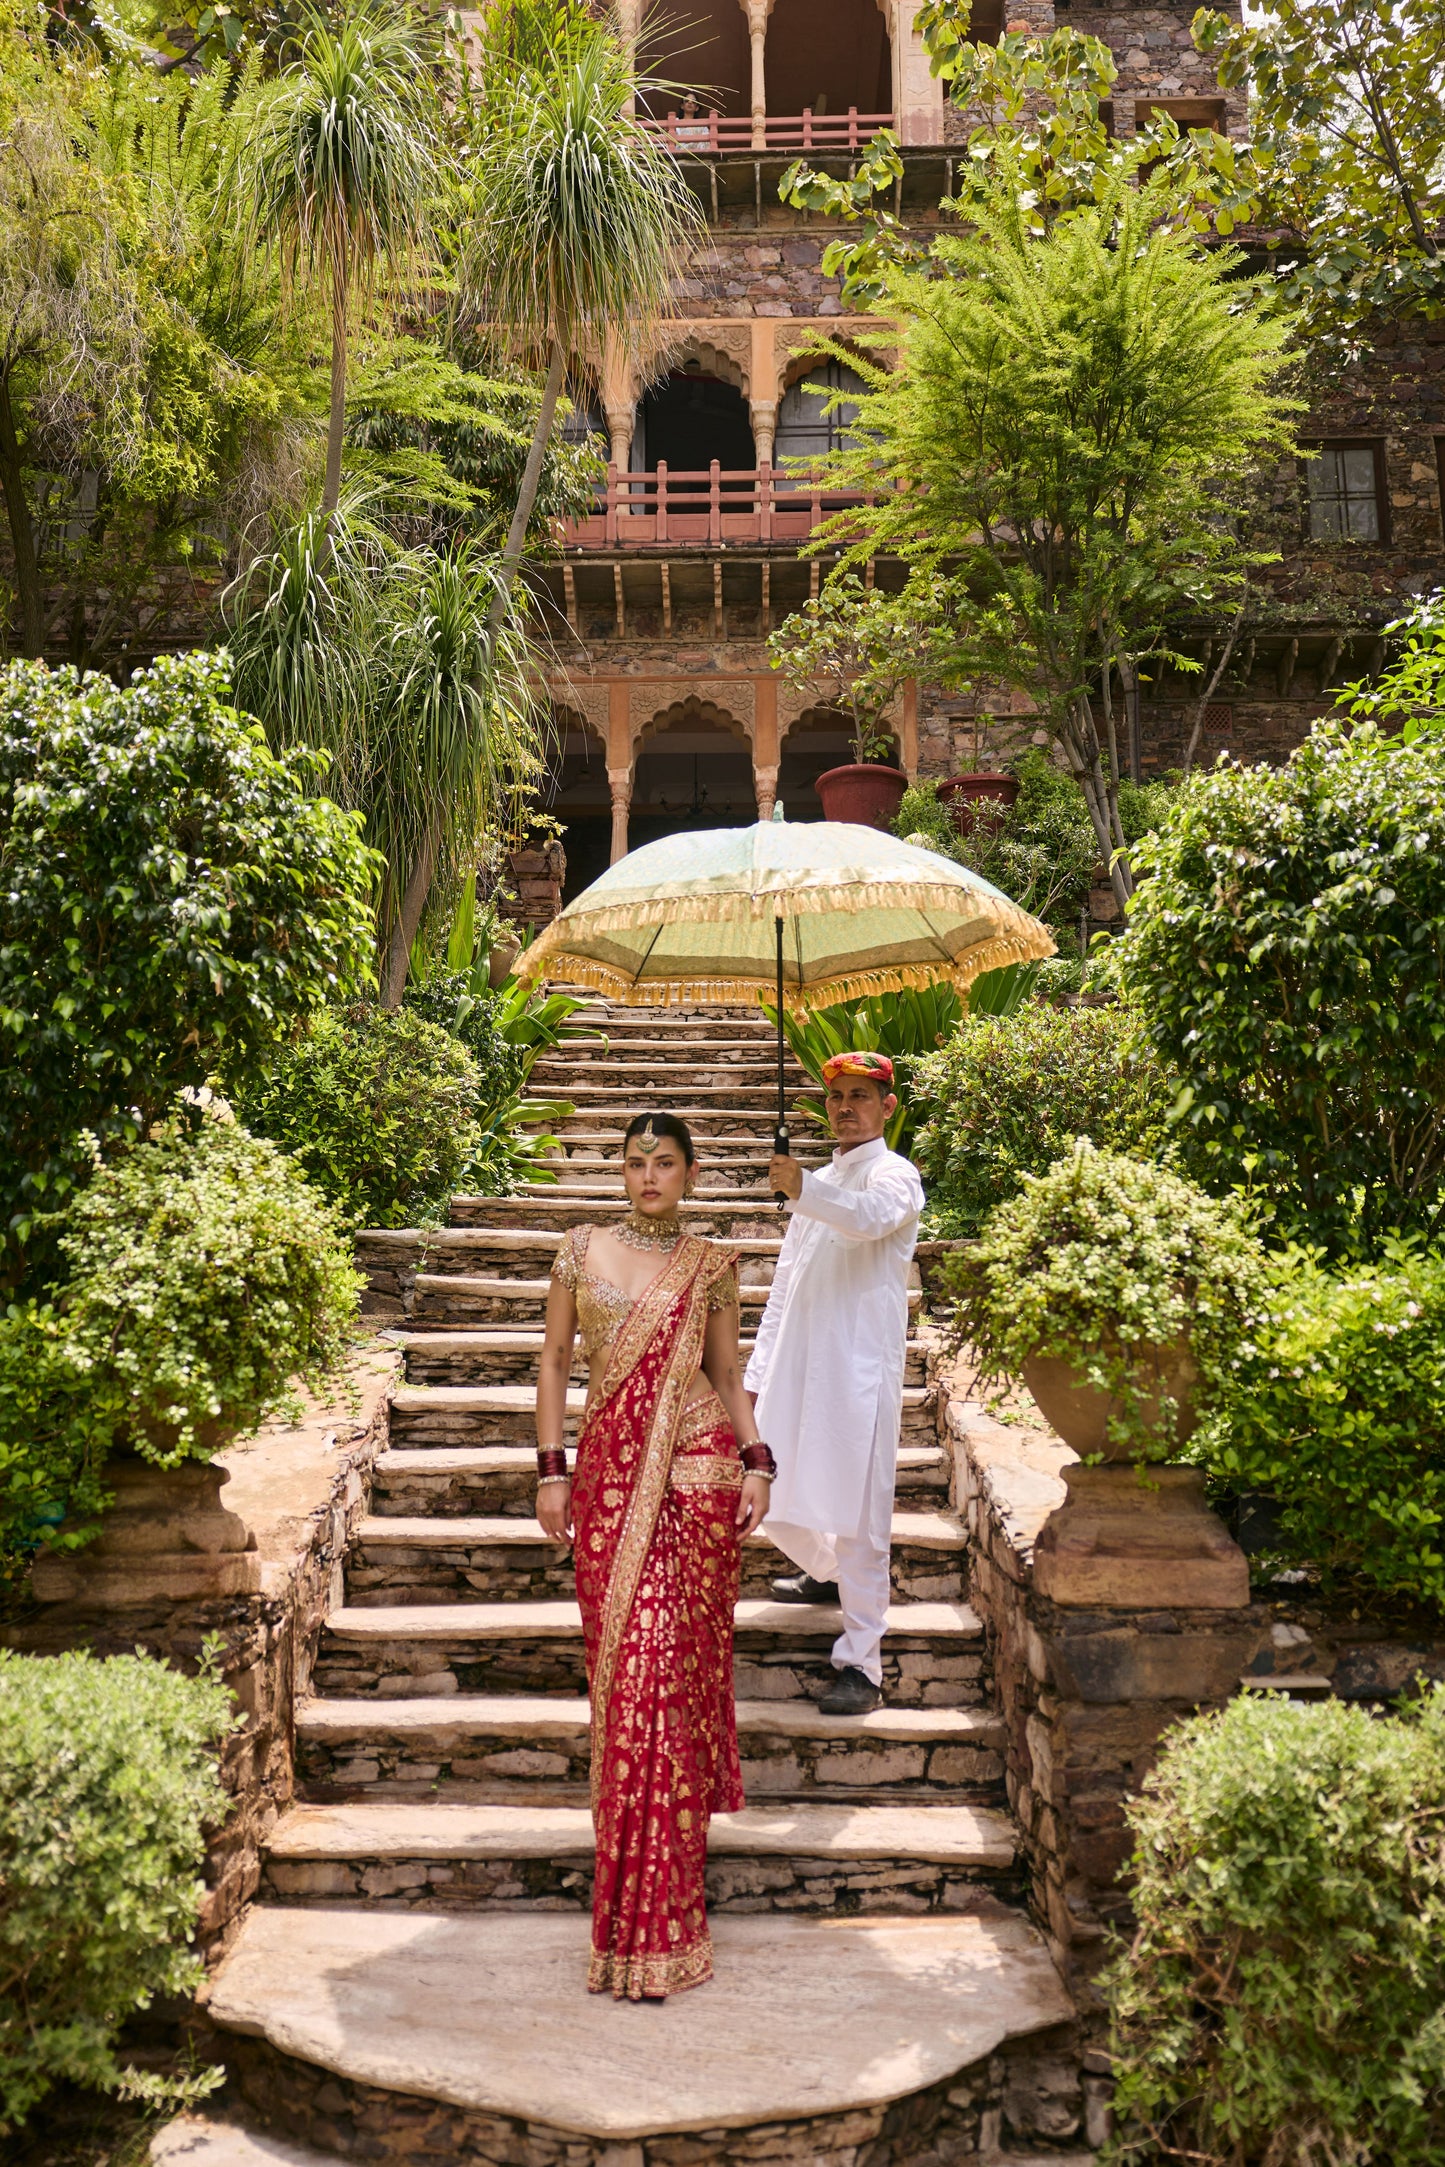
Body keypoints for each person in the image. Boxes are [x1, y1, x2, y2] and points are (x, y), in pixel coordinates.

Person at [535, 1111, 775, 2002]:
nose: (648, 1176)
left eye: (664, 1162)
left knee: (665, 1696)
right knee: (624, 1691)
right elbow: (556, 1360)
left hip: (696, 1483)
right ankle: (627, 1922)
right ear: (621, 1170)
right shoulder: (577, 1249)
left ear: (690, 1171)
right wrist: (548, 1471)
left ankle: (671, 1922)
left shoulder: (711, 1264)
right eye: (635, 1161)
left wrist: (756, 1459)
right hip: (603, 1483)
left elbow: (723, 1370)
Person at [745, 1051, 924, 1716]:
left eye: (859, 1096)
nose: (845, 1107)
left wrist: (802, 1190)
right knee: (771, 1492)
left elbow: (865, 1218)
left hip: (856, 1374)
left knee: (859, 1518)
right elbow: (785, 1286)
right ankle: (827, 1573)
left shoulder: (895, 1177)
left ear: (886, 1107)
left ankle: (862, 1664)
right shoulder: (818, 1179)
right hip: (798, 1366)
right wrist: (757, 1376)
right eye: (835, 1097)